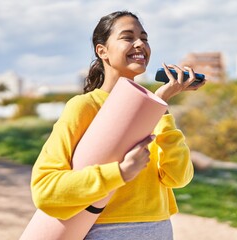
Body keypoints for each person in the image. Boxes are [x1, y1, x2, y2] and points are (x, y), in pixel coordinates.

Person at [31, 10, 205, 240]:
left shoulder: (153, 109)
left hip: (159, 228)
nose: (140, 44)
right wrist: (120, 172)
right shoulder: (84, 107)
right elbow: (45, 190)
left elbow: (179, 177)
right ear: (102, 50)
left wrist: (160, 106)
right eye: (128, 37)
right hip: (104, 230)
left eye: (144, 38)